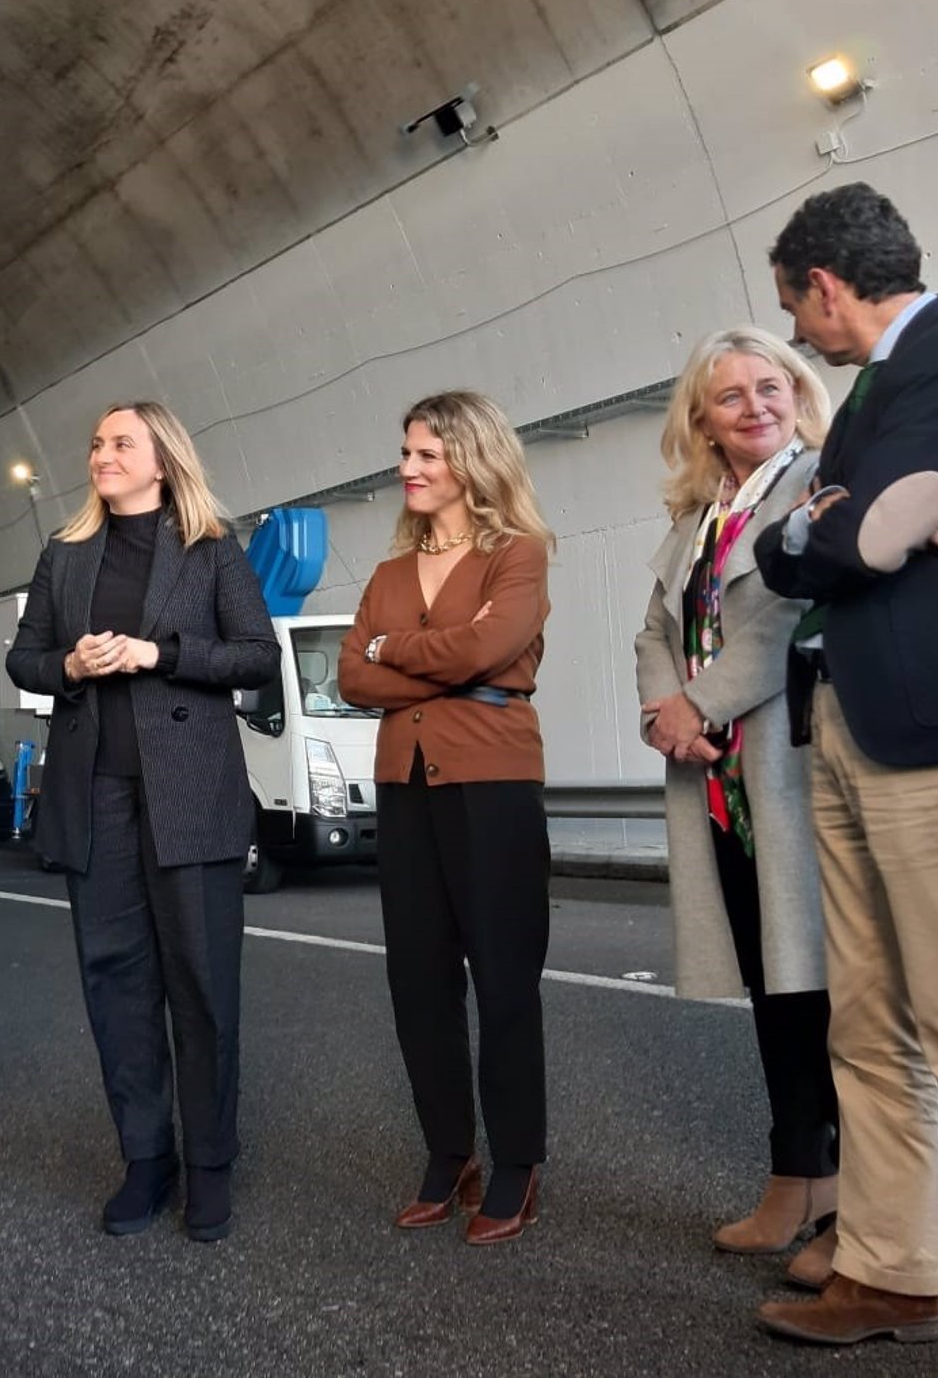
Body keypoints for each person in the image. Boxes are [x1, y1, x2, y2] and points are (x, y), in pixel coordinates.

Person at [750, 183, 938, 1348]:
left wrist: (830, 525)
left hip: (934, 747)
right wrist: (821, 524)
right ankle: (891, 1274)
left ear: (826, 288)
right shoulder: (880, 392)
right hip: (845, 725)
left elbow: (869, 531)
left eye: (798, 314)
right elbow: (798, 544)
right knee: (869, 1026)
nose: (798, 336)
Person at [5, 400, 278, 1242]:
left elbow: (258, 656)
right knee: (117, 987)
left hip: (190, 796)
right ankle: (146, 1161)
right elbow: (25, 658)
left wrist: (164, 655)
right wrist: (70, 665)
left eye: (121, 443)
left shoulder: (209, 547)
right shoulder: (65, 554)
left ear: (162, 459)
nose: (101, 454)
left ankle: (209, 1168)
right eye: (94, 443)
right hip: (97, 799)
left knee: (200, 987)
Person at [633, 328, 839, 1276]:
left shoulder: (819, 486)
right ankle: (792, 1181)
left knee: (828, 995)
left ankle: (854, 1208)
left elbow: (783, 618)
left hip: (794, 773)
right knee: (770, 983)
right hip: (719, 784)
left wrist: (698, 704)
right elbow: (654, 631)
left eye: (772, 385)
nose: (756, 404)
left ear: (798, 392)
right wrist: (664, 713)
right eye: (731, 396)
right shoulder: (696, 518)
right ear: (703, 422)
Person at [337, 391, 554, 1245]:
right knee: (418, 980)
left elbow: (483, 649)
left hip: (493, 779)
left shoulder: (518, 556)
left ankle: (517, 1164)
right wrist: (430, 667)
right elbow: (352, 679)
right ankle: (448, 1154)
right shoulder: (389, 575)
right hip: (405, 782)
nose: (410, 469)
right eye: (407, 453)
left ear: (473, 459)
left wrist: (399, 653)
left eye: (428, 454)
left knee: (504, 979)